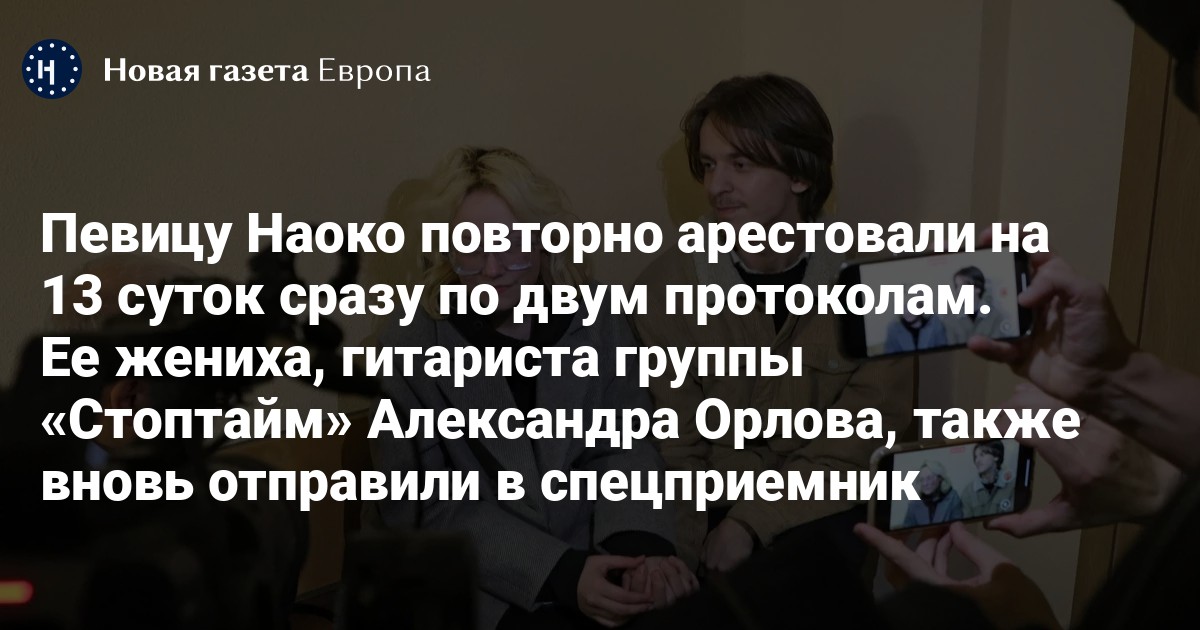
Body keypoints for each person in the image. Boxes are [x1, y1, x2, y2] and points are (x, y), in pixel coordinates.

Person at [372, 147, 697, 630]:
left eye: (510, 242)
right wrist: (560, 574)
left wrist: (639, 551)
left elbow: (627, 446)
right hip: (484, 587)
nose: (492, 267)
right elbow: (427, 510)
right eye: (469, 245)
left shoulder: (598, 316)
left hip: (599, 553)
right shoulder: (407, 345)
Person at [632, 73, 914, 575]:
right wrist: (679, 565)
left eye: (740, 165)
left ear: (800, 175)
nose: (716, 186)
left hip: (824, 504)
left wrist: (753, 521)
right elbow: (675, 451)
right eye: (709, 165)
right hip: (710, 506)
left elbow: (867, 437)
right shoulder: (663, 288)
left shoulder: (878, 283)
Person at [943, 266, 1012, 345]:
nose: (958, 290)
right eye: (956, 286)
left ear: (977, 288)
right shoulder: (950, 318)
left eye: (962, 285)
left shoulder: (996, 316)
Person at [959, 440, 1015, 519]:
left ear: (996, 456)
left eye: (982, 455)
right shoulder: (968, 492)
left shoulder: (1011, 486)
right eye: (976, 457)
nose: (977, 461)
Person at [901, 461, 963, 528]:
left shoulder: (953, 498)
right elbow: (907, 530)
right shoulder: (913, 505)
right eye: (922, 479)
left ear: (940, 478)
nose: (925, 483)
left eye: (929, 478)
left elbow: (958, 527)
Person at [883, 310, 948, 353]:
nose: (907, 310)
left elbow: (943, 356)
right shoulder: (893, 329)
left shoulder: (935, 324)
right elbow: (890, 362)